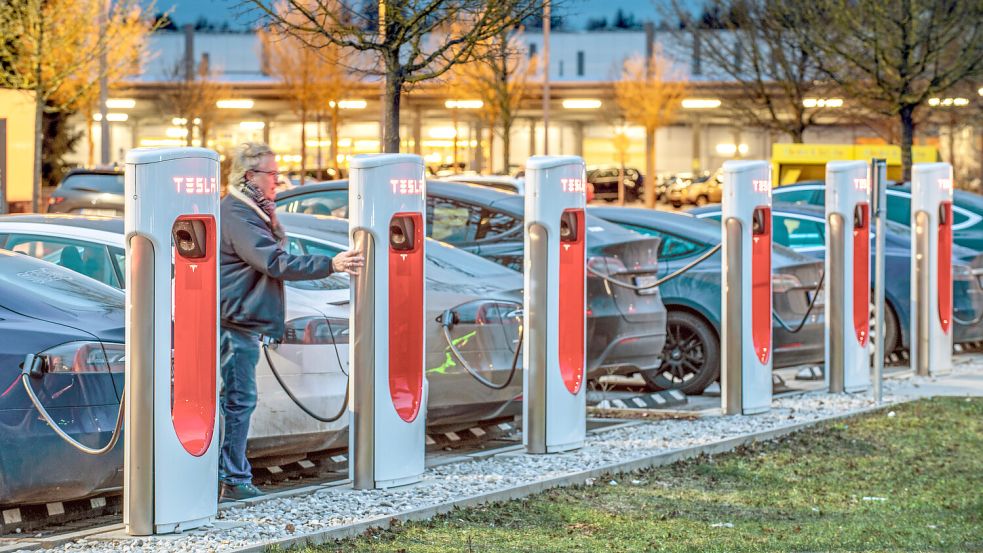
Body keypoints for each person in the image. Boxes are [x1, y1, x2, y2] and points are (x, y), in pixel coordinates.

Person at [218, 142, 362, 501]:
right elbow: (274, 262)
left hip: (243, 317)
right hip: (236, 321)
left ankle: (229, 474)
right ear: (250, 176)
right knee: (239, 400)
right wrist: (332, 263)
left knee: (238, 399)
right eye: (272, 174)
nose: (277, 181)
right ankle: (232, 478)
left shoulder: (251, 211)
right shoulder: (238, 214)